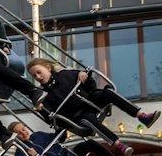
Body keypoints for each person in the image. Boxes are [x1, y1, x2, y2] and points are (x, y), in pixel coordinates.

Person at [29, 58, 157, 143]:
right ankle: (119, 144)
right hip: (79, 115)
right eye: (35, 76)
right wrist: (41, 110)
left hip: (90, 100)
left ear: (48, 68)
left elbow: (91, 87)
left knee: (108, 93)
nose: (38, 77)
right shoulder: (44, 96)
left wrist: (85, 76)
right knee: (88, 119)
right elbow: (52, 120)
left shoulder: (66, 74)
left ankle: (142, 116)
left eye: (39, 72)